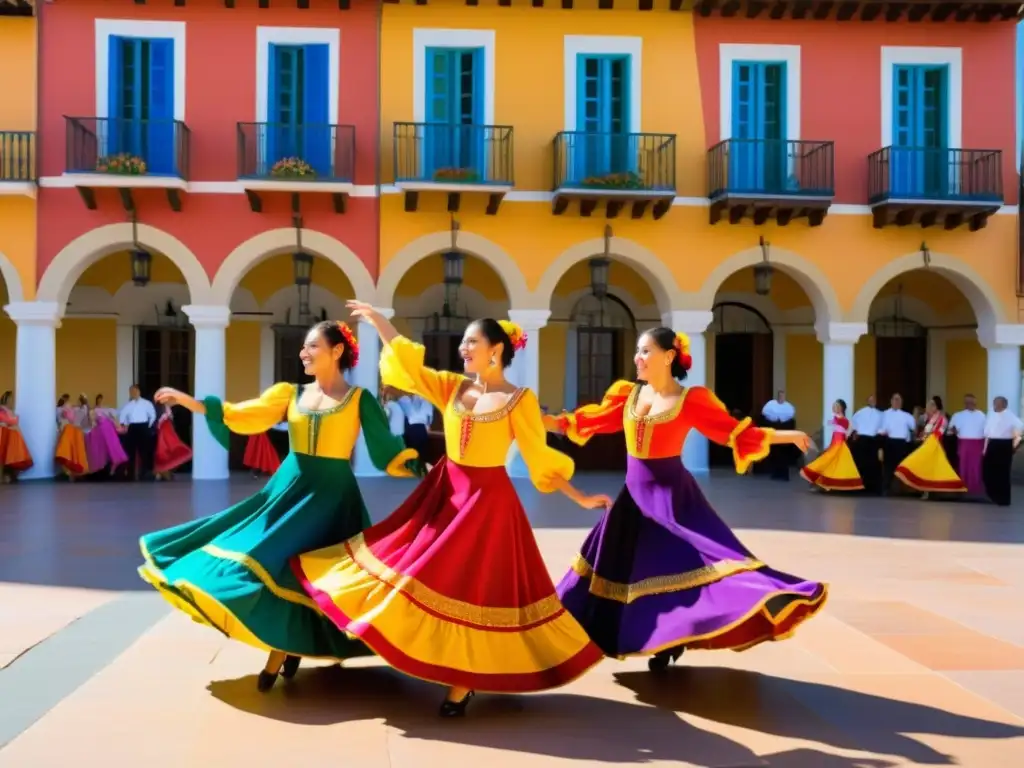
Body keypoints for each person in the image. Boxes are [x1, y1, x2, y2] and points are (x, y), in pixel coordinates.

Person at [293, 303, 610, 718]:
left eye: (471, 342)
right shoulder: (451, 387)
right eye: (464, 342)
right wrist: (379, 321)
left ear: (496, 349)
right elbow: (410, 363)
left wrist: (580, 497)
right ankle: (406, 643)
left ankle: (463, 682)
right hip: (445, 494)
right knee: (420, 570)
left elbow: (540, 458)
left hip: (489, 504)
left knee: (475, 589)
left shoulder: (519, 400)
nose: (463, 348)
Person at [138, 320, 421, 692]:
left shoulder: (359, 399)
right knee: (264, 557)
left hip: (333, 498)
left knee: (317, 575)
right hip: (288, 490)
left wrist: (418, 465)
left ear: (337, 351)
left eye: (312, 347)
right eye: (303, 347)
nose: (304, 353)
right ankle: (282, 647)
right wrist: (189, 402)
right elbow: (244, 414)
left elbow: (385, 446)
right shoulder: (291, 394)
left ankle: (287, 649)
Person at [543, 328, 824, 672]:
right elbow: (591, 421)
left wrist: (789, 434)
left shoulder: (690, 400)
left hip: (671, 498)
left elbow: (733, 431)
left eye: (645, 351)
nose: (638, 358)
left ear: (669, 356)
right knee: (620, 568)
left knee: (682, 567)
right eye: (637, 351)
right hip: (632, 499)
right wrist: (543, 421)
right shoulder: (628, 396)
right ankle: (605, 634)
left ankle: (687, 631)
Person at [894, 395, 966, 498]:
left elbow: (938, 433)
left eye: (929, 406)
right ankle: (926, 492)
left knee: (935, 471)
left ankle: (934, 492)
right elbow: (923, 432)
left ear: (934, 408)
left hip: (935, 447)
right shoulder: (928, 419)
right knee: (925, 469)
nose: (927, 408)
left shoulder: (942, 419)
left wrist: (926, 437)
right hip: (927, 446)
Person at [800, 399, 863, 492]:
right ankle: (819, 482)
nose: (835, 408)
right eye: (834, 406)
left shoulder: (845, 421)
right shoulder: (835, 418)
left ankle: (832, 485)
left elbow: (847, 434)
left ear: (842, 408)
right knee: (827, 462)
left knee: (841, 465)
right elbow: (837, 433)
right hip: (836, 445)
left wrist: (848, 435)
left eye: (837, 406)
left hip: (840, 445)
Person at [983, 396, 1023, 507]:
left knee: (1003, 473)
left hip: (1004, 444)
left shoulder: (1010, 415)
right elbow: (987, 430)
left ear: (1003, 404)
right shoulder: (991, 413)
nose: (995, 405)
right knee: (988, 470)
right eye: (994, 403)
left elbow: (1020, 427)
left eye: (997, 403)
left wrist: (1015, 443)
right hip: (992, 443)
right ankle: (993, 495)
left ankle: (1004, 499)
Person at [948, 394, 986, 496]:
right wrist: (956, 432)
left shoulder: (982, 415)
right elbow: (951, 429)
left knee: (976, 466)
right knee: (963, 465)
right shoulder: (958, 415)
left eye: (972, 402)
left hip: (978, 443)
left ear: (975, 402)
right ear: (964, 403)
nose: (970, 404)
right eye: (968, 402)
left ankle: (975, 488)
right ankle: (963, 487)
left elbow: (986, 430)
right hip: (964, 442)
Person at [878, 393, 916, 495]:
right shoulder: (884, 414)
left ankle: (902, 490)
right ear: (891, 401)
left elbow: (913, 428)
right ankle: (885, 489)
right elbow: (880, 429)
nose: (897, 402)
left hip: (902, 444)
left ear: (901, 402)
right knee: (888, 467)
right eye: (895, 399)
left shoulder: (907, 416)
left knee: (902, 467)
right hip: (889, 442)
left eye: (899, 400)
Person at [119, 385, 157, 481]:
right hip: (132, 427)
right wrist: (126, 425)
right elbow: (122, 417)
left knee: (144, 451)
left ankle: (145, 474)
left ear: (139, 392)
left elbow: (153, 415)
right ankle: (130, 474)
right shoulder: (127, 405)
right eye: (131, 391)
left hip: (143, 426)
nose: (133, 393)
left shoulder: (146, 403)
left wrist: (147, 426)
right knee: (130, 451)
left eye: (135, 391)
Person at [849, 395, 883, 494]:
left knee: (873, 464)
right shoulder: (860, 412)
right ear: (868, 401)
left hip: (874, 441)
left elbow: (882, 427)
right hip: (862, 441)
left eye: (874, 400)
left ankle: (873, 488)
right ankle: (859, 487)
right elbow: (853, 424)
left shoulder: (880, 414)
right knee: (860, 464)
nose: (873, 401)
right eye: (871, 399)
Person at [761, 390, 796, 481]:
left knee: (784, 454)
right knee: (775, 453)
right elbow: (765, 413)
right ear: (778, 396)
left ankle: (784, 474)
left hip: (784, 430)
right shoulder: (771, 404)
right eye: (780, 396)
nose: (781, 398)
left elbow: (791, 417)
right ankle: (776, 473)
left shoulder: (788, 406)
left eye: (783, 396)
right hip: (774, 429)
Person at [0, 390, 33, 482]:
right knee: (5, 455)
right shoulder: (1, 410)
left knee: (11, 456)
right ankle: (5, 475)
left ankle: (8, 475)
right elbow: (6, 422)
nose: (11, 401)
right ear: (5, 399)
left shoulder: (12, 412)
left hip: (12, 436)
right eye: (10, 399)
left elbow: (15, 424)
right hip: (3, 435)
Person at [153, 403, 193, 480]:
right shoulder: (165, 413)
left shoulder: (165, 412)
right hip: (164, 433)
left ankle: (163, 473)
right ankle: (163, 473)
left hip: (164, 433)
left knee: (164, 451)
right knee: (165, 451)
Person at [55, 394, 89, 479]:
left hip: (70, 430)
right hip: (68, 430)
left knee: (69, 452)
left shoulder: (75, 409)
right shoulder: (63, 409)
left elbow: (73, 418)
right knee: (68, 452)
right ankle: (69, 472)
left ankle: (69, 472)